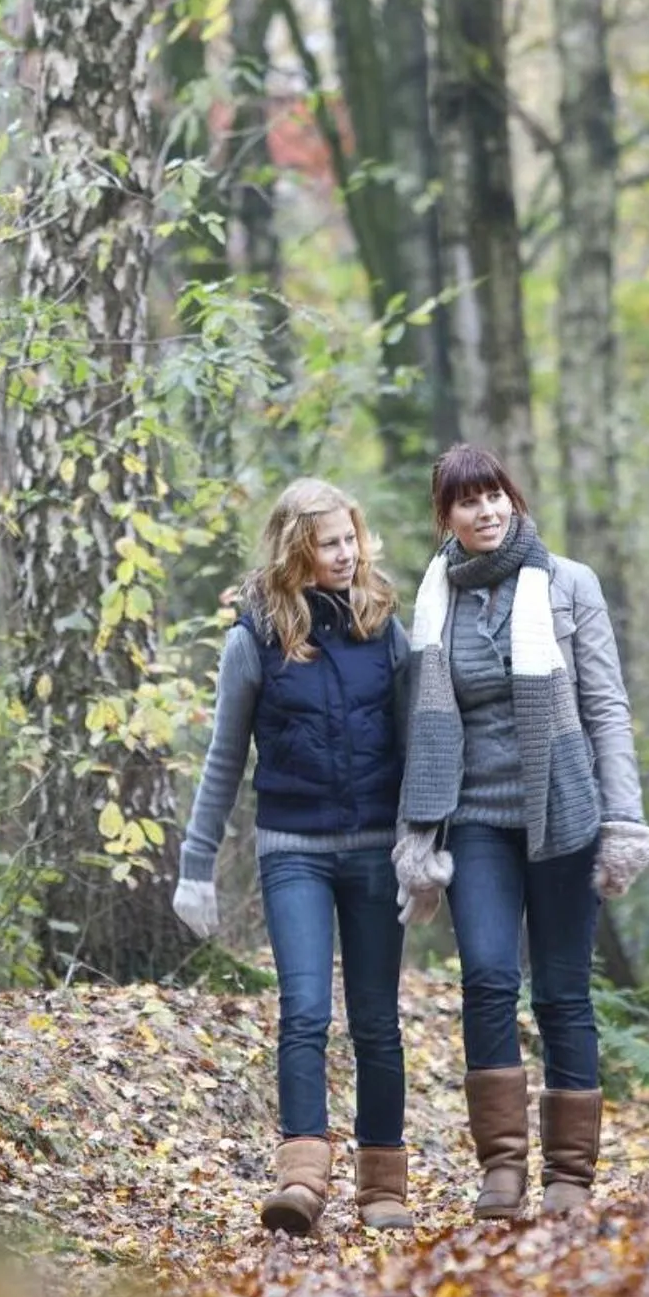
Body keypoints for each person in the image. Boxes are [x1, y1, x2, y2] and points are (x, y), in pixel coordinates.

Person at [393, 444, 649, 1220]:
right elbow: (420, 724)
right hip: (475, 818)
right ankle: (501, 1168)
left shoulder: (570, 585)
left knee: (564, 991)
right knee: (487, 980)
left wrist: (624, 817)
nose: (487, 511)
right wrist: (416, 828)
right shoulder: (435, 598)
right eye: (468, 502)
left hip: (565, 813)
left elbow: (607, 707)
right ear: (446, 517)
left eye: (496, 494)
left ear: (514, 497)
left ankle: (569, 1175)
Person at [171, 478, 414, 1235]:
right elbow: (223, 757)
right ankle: (303, 1180)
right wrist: (194, 864)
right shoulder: (254, 640)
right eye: (329, 544)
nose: (346, 555)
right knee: (304, 1011)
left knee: (376, 1020)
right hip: (294, 850)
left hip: (377, 849)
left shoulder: (387, 628)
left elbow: (419, 744)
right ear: (294, 551)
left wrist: (425, 841)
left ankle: (384, 1184)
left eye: (352, 540)